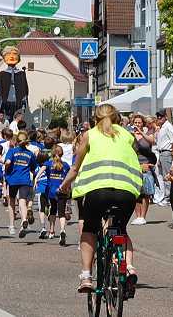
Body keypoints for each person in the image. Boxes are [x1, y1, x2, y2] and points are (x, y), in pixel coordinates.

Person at [59, 104, 142, 295]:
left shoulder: (90, 135)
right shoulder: (127, 136)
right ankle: (129, 267)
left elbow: (75, 168)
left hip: (98, 192)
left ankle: (87, 276)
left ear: (95, 119)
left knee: (89, 229)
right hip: (126, 192)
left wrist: (63, 186)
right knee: (120, 229)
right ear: (117, 119)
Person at [4, 131, 36, 237]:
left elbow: (8, 162)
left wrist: (6, 168)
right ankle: (23, 220)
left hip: (13, 179)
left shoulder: (12, 151)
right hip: (25, 180)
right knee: (22, 201)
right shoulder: (30, 154)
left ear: (17, 141)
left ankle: (12, 226)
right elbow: (33, 168)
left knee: (12, 201)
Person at [39, 145, 71, 246]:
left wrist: (36, 179)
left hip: (51, 191)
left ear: (52, 154)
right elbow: (69, 178)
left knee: (53, 209)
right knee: (61, 212)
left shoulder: (48, 163)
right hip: (62, 190)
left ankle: (52, 231)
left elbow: (40, 172)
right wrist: (68, 189)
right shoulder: (66, 165)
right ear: (62, 154)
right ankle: (62, 230)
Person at [129, 114, 156, 225]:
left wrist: (141, 132)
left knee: (145, 191)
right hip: (134, 164)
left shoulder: (148, 134)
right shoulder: (129, 135)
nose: (137, 124)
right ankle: (137, 216)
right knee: (135, 191)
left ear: (143, 123)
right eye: (135, 122)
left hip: (146, 164)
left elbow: (151, 141)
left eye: (139, 122)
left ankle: (143, 216)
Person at [154, 110, 173, 206]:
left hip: (166, 152)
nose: (159, 119)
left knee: (167, 175)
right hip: (161, 152)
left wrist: (172, 152)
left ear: (165, 117)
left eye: (161, 117)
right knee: (163, 175)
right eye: (158, 117)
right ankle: (165, 196)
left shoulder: (168, 126)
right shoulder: (162, 127)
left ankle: (168, 198)